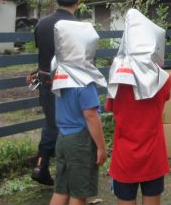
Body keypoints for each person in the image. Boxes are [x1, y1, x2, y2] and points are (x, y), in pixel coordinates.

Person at [106, 9, 171, 205]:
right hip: (153, 154)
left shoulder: (116, 78)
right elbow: (163, 100)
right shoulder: (163, 78)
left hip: (124, 156)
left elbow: (112, 107)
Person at [26, 0, 81, 186]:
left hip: (46, 82)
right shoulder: (79, 27)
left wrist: (37, 72)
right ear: (78, 1)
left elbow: (45, 54)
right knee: (71, 125)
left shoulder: (42, 23)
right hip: (69, 82)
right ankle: (67, 171)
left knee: (51, 122)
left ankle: (41, 165)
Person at [49, 19, 108, 205]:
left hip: (63, 139)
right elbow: (91, 116)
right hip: (80, 142)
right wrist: (101, 146)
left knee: (61, 189)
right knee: (78, 194)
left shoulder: (60, 75)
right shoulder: (84, 82)